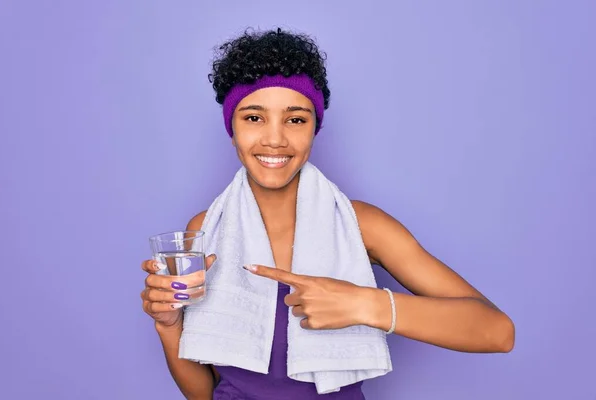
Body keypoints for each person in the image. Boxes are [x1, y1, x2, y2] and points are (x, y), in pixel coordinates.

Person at [140, 28, 515, 400]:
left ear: (315, 128)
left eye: (296, 119)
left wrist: (365, 304)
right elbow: (207, 393)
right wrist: (169, 325)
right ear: (232, 128)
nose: (275, 139)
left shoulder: (363, 226)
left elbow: (497, 331)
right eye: (254, 118)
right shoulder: (206, 230)